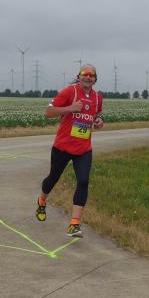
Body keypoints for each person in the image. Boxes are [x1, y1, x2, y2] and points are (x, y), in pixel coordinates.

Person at [36, 63, 104, 237]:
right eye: (85, 73)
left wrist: (99, 121)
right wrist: (70, 108)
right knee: (53, 178)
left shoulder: (97, 97)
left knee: (83, 181)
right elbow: (48, 112)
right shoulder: (69, 92)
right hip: (63, 147)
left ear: (95, 79)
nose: (88, 77)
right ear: (79, 77)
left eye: (91, 75)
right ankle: (42, 200)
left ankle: (74, 223)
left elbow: (97, 115)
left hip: (84, 149)